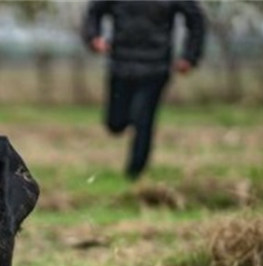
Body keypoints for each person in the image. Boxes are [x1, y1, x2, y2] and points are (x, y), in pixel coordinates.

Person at [82, 1, 206, 180]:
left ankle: (134, 172)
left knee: (143, 119)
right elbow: (94, 12)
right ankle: (128, 121)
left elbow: (196, 20)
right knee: (115, 124)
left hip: (156, 67)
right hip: (121, 65)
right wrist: (94, 37)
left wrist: (190, 56)